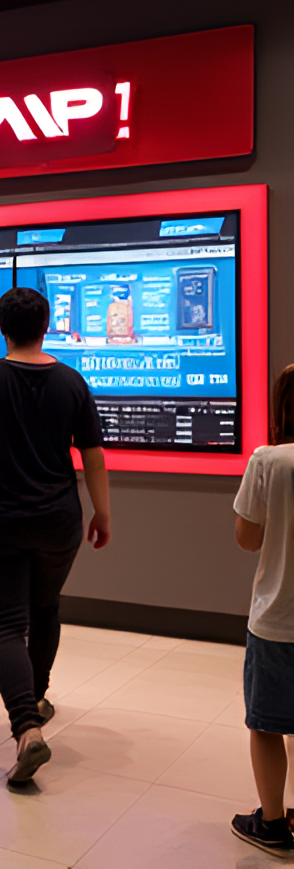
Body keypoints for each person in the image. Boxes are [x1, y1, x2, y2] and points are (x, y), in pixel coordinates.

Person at [0, 287, 111, 784]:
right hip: (60, 519)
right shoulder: (72, 382)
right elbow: (93, 457)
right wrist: (102, 512)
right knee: (47, 609)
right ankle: (35, 699)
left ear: (1, 326)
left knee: (8, 625)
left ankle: (27, 728)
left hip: (0, 520)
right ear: (48, 323)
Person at [230, 365, 294, 855]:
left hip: (277, 619)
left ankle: (271, 824)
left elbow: (247, 539)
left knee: (267, 725)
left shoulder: (269, 461)